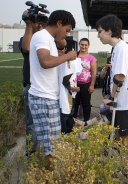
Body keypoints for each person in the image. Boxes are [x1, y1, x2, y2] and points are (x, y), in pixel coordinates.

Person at [28, 10, 77, 157]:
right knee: (48, 148)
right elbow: (45, 61)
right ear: (59, 23)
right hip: (42, 98)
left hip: (49, 97)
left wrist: (61, 55)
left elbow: (49, 60)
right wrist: (67, 56)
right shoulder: (41, 36)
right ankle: (46, 176)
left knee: (53, 144)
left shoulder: (48, 38)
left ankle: (49, 175)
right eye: (67, 30)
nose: (66, 34)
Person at [95, 14, 128, 152]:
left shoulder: (121, 48)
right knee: (121, 141)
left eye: (100, 32)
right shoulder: (117, 48)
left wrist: (111, 97)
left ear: (109, 30)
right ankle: (126, 171)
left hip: (127, 104)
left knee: (127, 143)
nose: (98, 36)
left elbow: (120, 77)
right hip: (122, 103)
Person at [19, 10, 48, 155]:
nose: (39, 26)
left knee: (47, 123)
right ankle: (31, 154)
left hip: (46, 87)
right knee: (31, 124)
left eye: (42, 24)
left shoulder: (47, 40)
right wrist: (29, 24)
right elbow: (26, 48)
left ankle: (45, 153)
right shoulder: (28, 38)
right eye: (38, 23)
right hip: (31, 87)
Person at [73, 38, 97, 122]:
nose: (83, 46)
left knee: (86, 104)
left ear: (88, 46)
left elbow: (94, 72)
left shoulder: (91, 58)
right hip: (74, 84)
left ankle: (86, 121)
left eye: (85, 45)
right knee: (74, 103)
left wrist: (92, 85)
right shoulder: (74, 56)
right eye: (82, 44)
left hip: (86, 84)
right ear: (79, 45)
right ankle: (73, 121)